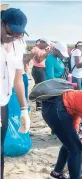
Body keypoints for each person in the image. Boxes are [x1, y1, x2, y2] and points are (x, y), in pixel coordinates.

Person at [1, 8, 30, 179]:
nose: (13, 38)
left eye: (19, 34)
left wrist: (24, 109)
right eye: (10, 32)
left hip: (3, 103)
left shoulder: (18, 45)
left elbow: (18, 79)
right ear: (1, 24)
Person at [28, 38, 52, 109]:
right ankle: (39, 104)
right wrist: (47, 52)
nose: (47, 46)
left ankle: (39, 101)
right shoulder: (35, 49)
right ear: (42, 42)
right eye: (46, 45)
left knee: (39, 85)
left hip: (42, 69)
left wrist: (47, 52)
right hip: (38, 69)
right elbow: (39, 60)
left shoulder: (43, 49)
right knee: (41, 87)